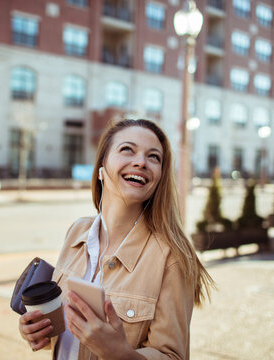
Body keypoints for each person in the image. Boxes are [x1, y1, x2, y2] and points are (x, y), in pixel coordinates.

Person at [19, 119, 214, 359]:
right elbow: (65, 335)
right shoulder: (76, 231)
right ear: (102, 166)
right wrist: (38, 331)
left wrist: (119, 353)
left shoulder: (171, 257)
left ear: (160, 177)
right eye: (127, 150)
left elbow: (173, 355)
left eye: (154, 157)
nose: (141, 162)